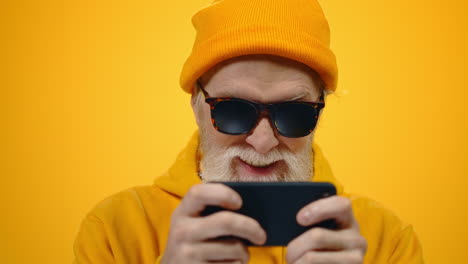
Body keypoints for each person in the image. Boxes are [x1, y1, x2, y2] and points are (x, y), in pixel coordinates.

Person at [73, 0, 424, 263]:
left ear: (322, 108)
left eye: (295, 113)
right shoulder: (116, 229)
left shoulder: (384, 239)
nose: (263, 141)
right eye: (233, 110)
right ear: (196, 103)